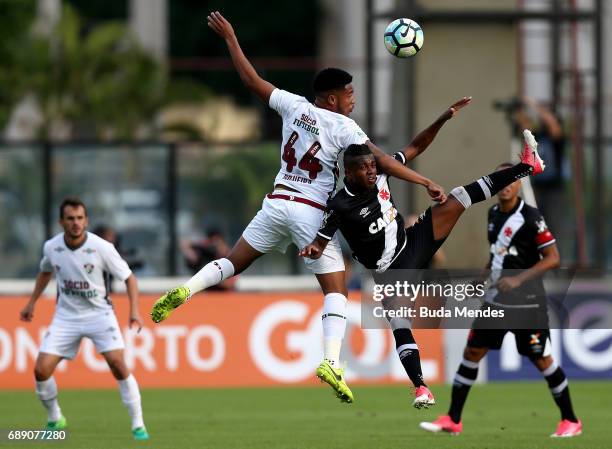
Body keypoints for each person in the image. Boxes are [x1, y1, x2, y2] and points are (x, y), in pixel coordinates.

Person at [151, 10, 456, 404]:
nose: (353, 101)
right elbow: (383, 160)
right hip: (311, 212)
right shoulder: (345, 129)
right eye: (349, 95)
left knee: (232, 262)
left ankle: (187, 289)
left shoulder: (292, 105)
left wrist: (231, 38)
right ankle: (331, 360)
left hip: (276, 202)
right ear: (332, 98)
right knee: (338, 291)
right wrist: (425, 180)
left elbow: (250, 80)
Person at [299, 131, 545, 408]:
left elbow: (414, 146)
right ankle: (421, 388)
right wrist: (313, 249)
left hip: (413, 243)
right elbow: (320, 242)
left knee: (460, 197)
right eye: (364, 168)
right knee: (400, 324)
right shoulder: (339, 205)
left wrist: (444, 118)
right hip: (390, 272)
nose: (371, 170)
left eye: (372, 165)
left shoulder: (381, 172)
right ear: (349, 172)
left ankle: (527, 166)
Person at [419, 164, 581, 438]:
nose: (506, 185)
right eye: (503, 181)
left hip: (527, 304)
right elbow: (497, 254)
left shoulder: (531, 218)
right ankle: (452, 419)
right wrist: (482, 278)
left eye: (513, 181)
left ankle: (571, 421)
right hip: (495, 302)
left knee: (543, 360)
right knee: (472, 353)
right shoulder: (493, 214)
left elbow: (553, 258)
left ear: (518, 185)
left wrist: (518, 279)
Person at [19, 197, 149, 441]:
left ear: (86, 220)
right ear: (61, 222)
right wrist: (31, 302)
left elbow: (130, 278)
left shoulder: (102, 248)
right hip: (66, 316)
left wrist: (134, 311)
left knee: (118, 364)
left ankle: (138, 424)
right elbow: (45, 272)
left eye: (80, 218)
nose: (76, 223)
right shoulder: (52, 247)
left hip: (99, 314)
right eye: (70, 218)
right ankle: (55, 418)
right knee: (40, 370)